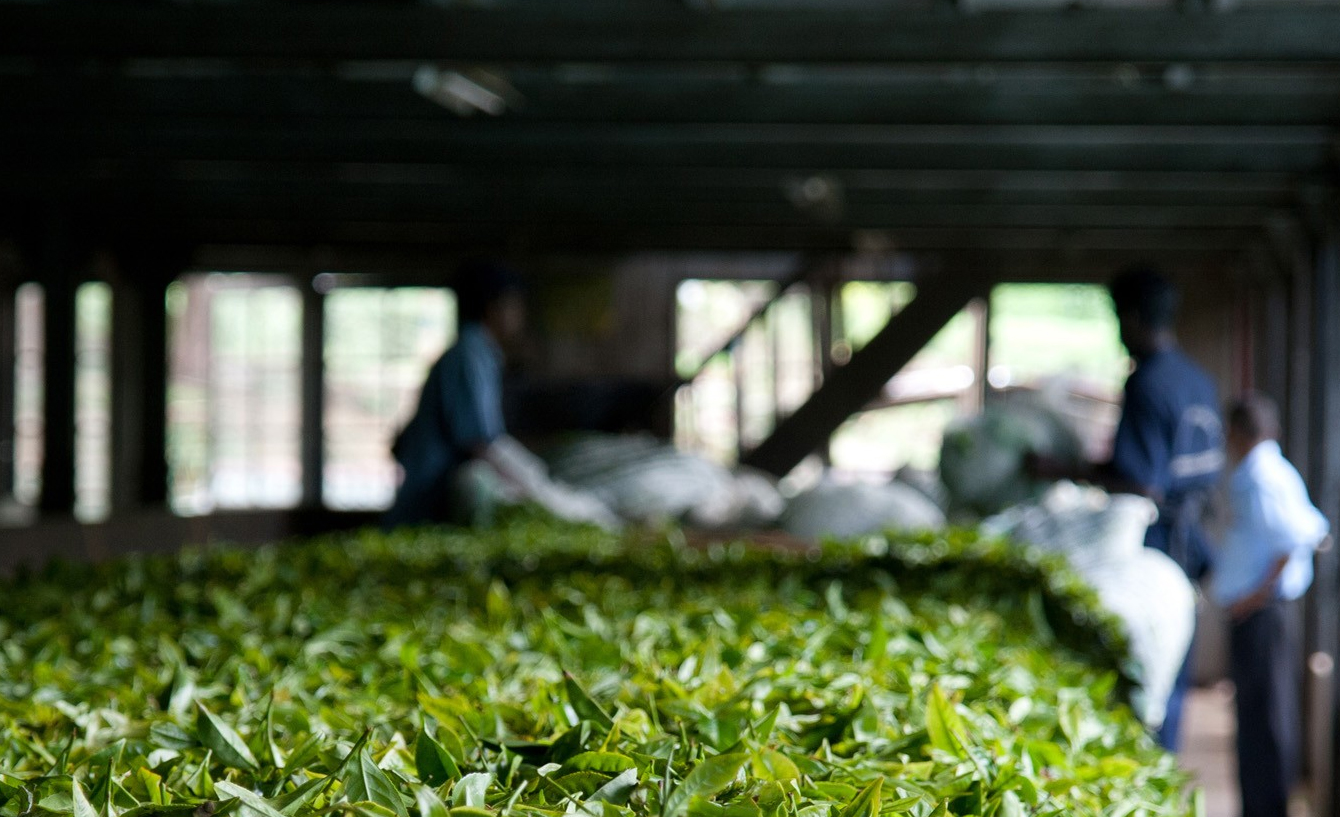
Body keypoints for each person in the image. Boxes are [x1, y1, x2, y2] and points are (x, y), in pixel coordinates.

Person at [1032, 264, 1224, 750]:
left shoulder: (1146, 383)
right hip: (1192, 543)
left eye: (1120, 319)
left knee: (1139, 684)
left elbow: (1140, 483)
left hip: (1154, 544)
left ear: (1134, 319)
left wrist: (1063, 469)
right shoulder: (1196, 380)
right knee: (1172, 668)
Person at [1213, 393, 1328, 817]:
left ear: (1238, 433)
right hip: (1259, 610)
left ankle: (1268, 807)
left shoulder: (1261, 476)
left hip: (1262, 612)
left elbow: (1293, 539)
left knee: (1267, 716)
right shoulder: (1266, 471)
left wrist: (1253, 596)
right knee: (1258, 714)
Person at [383, 260, 528, 530]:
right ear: (494, 308)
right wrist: (531, 486)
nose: (520, 316)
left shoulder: (480, 354)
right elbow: (478, 439)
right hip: (429, 500)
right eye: (514, 304)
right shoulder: (469, 356)